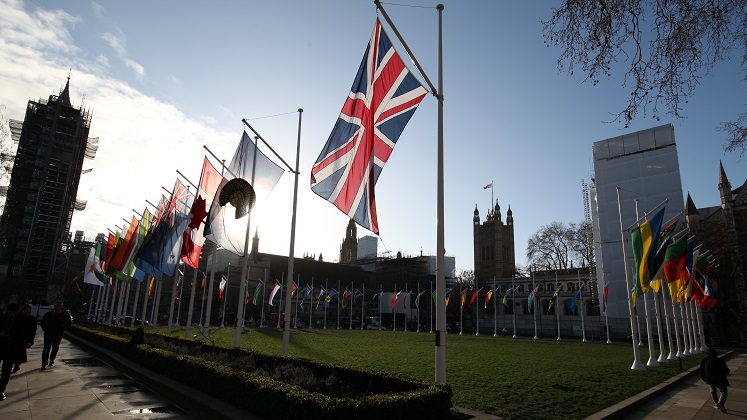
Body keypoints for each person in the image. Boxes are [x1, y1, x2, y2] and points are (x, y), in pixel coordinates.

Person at [0, 303, 35, 401]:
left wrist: (29, 342)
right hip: (1, 345)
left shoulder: (22, 319)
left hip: (12, 348)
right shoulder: (1, 318)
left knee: (6, 370)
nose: (12, 315)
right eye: (10, 313)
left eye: (14, 313)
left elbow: (30, 331)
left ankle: (1, 390)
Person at [40, 300, 72, 370]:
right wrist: (46, 330)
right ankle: (44, 363)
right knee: (46, 348)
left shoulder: (65, 315)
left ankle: (52, 359)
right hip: (48, 333)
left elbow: (69, 323)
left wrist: (63, 329)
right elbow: (43, 322)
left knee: (55, 347)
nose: (56, 307)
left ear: (61, 306)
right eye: (55, 305)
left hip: (58, 334)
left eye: (58, 305)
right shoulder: (49, 314)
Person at [700, 348, 730, 413]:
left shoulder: (704, 360)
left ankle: (717, 403)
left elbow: (701, 370)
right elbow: (727, 370)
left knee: (713, 391)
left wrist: (704, 378)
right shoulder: (720, 360)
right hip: (720, 378)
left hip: (710, 379)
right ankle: (720, 404)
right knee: (723, 391)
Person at [12, 305, 37, 373]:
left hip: (24, 339)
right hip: (15, 339)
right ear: (23, 311)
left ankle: (16, 365)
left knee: (20, 354)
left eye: (29, 311)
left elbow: (33, 331)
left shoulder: (32, 319)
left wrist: (30, 341)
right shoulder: (17, 318)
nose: (29, 312)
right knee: (14, 353)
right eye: (27, 311)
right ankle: (13, 364)